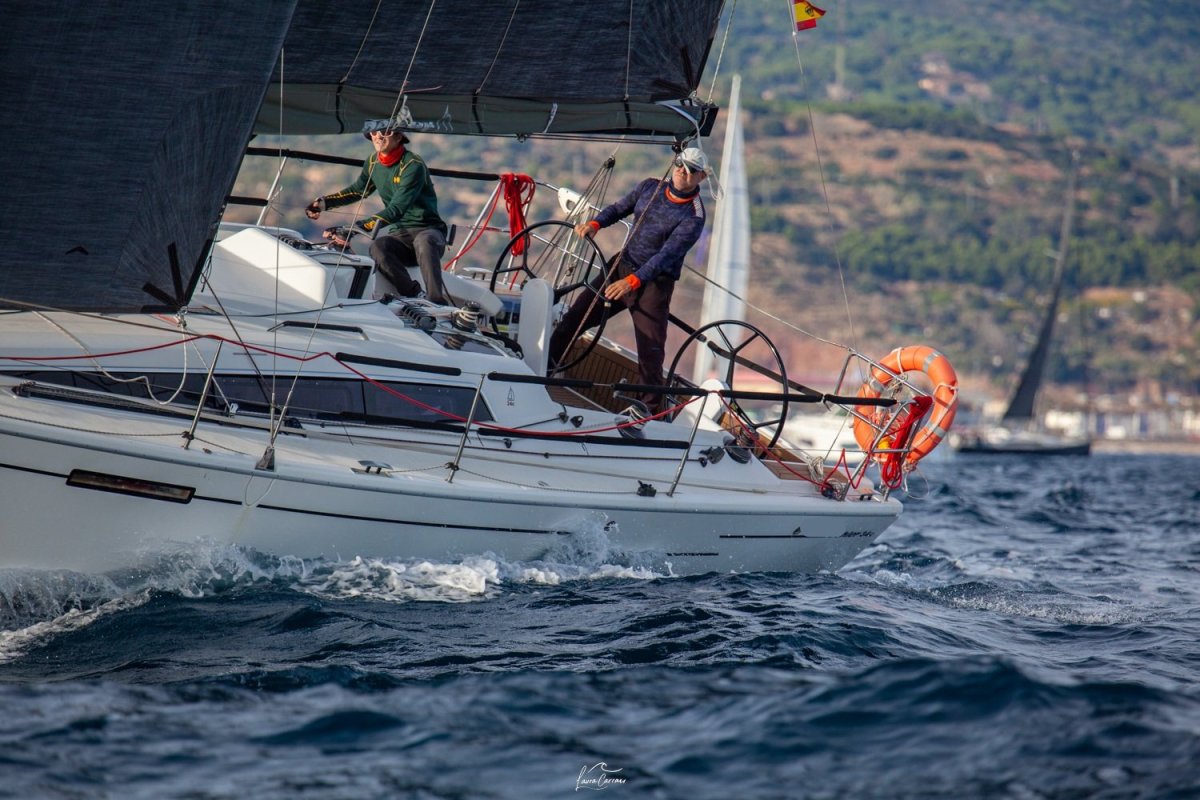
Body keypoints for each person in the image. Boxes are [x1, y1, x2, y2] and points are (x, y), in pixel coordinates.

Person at [548, 147, 709, 410]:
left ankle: (650, 409)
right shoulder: (650, 187)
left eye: (692, 169)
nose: (683, 171)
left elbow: (666, 256)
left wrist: (632, 281)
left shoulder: (694, 216)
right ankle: (544, 368)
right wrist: (596, 224)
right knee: (575, 317)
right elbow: (620, 208)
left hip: (653, 285)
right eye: (680, 163)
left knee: (650, 351)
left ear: (702, 177)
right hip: (620, 267)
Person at [305, 127, 449, 304]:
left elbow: (397, 209)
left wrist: (357, 228)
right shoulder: (373, 162)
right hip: (401, 237)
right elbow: (358, 191)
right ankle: (414, 295)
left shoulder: (413, 165)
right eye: (373, 132)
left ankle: (436, 301)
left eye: (385, 132)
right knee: (377, 247)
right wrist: (323, 204)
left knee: (424, 240)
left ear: (399, 137)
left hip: (430, 232)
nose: (378, 136)